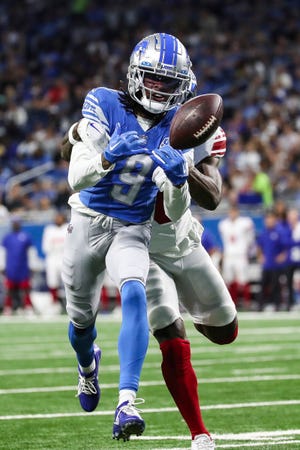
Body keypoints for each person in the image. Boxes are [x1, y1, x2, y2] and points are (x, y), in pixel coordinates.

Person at [62, 37, 238, 449]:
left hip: (173, 234)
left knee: (225, 330)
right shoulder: (105, 104)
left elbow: (211, 197)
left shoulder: (192, 123)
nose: (158, 89)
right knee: (163, 324)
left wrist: (181, 171)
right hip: (135, 230)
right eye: (153, 79)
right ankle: (197, 432)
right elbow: (71, 156)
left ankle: (185, 312)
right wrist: (81, 139)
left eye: (167, 82)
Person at [218, 204, 256, 309]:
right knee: (228, 280)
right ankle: (232, 303)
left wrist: (248, 250)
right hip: (229, 255)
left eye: (234, 211)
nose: (232, 214)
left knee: (243, 280)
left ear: (238, 212)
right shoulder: (223, 224)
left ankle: (246, 303)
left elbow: (250, 238)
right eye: (231, 212)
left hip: (240, 254)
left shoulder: (245, 222)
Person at [1, 216, 35, 314]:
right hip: (11, 267)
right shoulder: (7, 238)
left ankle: (28, 307)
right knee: (9, 289)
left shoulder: (26, 237)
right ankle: (8, 308)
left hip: (23, 267)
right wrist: (2, 266)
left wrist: (32, 266)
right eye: (14, 223)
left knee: (25, 288)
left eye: (17, 222)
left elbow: (31, 252)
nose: (15, 224)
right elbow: (2, 252)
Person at [41, 211, 69, 312]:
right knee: (52, 282)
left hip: (64, 257)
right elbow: (46, 247)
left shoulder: (68, 227)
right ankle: (54, 303)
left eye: (60, 217)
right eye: (56, 217)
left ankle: (69, 303)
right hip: (52, 258)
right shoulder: (49, 230)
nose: (58, 219)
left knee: (68, 282)